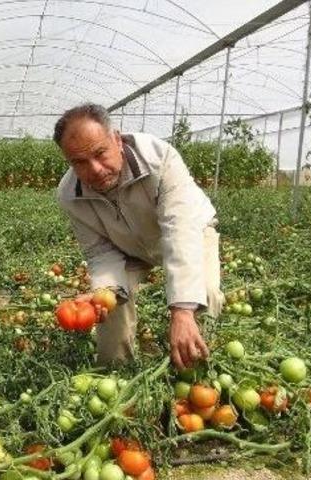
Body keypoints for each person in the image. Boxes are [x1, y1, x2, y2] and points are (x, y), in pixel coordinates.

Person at [53, 103, 223, 369]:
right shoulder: (70, 195)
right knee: (106, 305)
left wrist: (182, 310)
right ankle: (114, 373)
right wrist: (108, 291)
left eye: (100, 153)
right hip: (127, 249)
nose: (95, 169)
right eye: (79, 162)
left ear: (117, 140)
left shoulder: (159, 159)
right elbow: (100, 251)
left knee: (204, 293)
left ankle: (197, 374)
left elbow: (180, 229)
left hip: (190, 230)